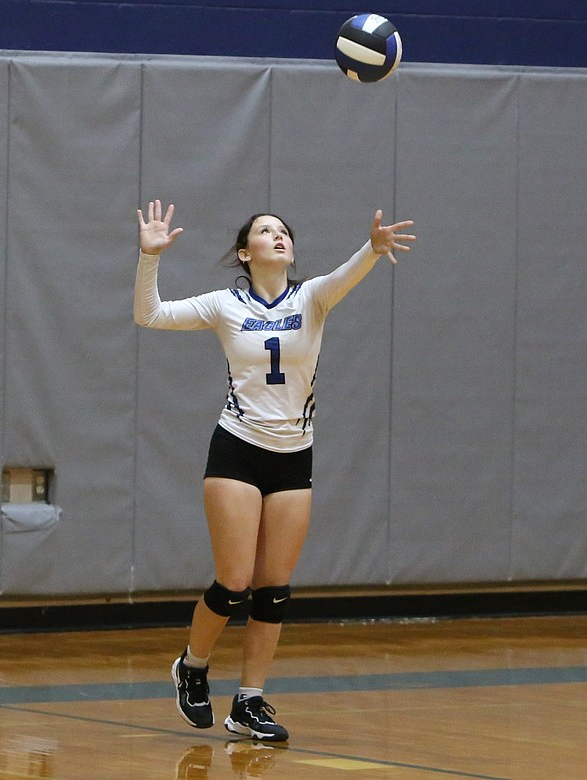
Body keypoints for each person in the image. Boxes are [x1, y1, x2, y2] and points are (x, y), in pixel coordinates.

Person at [134, 200, 416, 741]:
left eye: (284, 230)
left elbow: (343, 276)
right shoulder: (224, 304)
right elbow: (149, 314)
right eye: (266, 231)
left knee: (275, 590)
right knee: (233, 583)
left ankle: (249, 701)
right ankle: (192, 666)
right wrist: (150, 259)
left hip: (294, 453)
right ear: (246, 252)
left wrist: (374, 249)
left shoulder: (312, 297)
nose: (278, 235)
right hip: (237, 449)